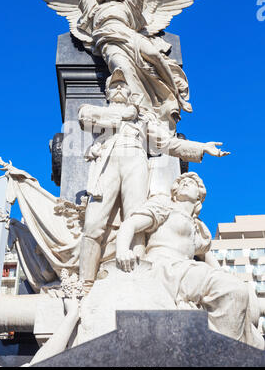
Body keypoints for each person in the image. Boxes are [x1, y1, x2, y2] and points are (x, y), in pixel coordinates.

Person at [78, 75, 229, 291]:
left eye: (123, 85)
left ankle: (139, 276)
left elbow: (167, 143)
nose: (120, 88)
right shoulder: (92, 109)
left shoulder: (143, 117)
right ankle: (85, 284)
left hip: (136, 162)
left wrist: (202, 148)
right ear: (107, 93)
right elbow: (85, 118)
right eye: (115, 86)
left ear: (131, 93)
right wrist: (125, 113)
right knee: (93, 222)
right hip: (107, 161)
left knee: (136, 218)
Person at [116, 172, 264, 349]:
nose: (184, 183)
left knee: (238, 290)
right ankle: (224, 351)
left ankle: (225, 346)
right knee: (233, 289)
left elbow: (213, 264)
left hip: (186, 268)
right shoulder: (164, 206)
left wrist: (229, 278)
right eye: (181, 182)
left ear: (199, 197)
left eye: (191, 182)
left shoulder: (199, 227)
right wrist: (122, 250)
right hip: (164, 266)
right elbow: (130, 224)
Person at [60, 0, 192, 112]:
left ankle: (177, 96)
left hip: (130, 35)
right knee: (123, 70)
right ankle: (137, 108)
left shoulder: (128, 5)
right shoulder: (92, 6)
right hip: (110, 41)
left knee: (155, 56)